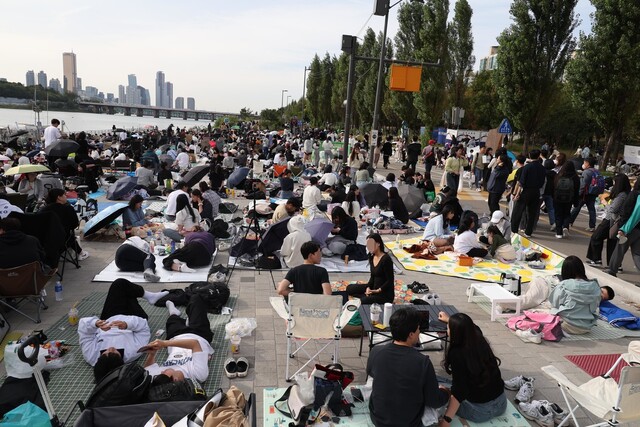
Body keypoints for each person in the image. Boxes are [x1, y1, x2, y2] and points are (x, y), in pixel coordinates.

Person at [366, 307, 450, 427]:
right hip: (408, 422)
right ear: (411, 334)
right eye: (418, 329)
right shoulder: (422, 362)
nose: (419, 332)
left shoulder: (376, 351)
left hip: (378, 418)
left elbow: (371, 372)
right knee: (445, 387)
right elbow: (434, 401)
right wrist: (445, 392)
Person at [79, 278, 168, 382]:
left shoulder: (91, 355)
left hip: (109, 317)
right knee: (127, 293)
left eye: (106, 352)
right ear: (121, 360)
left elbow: (83, 330)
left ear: (99, 359)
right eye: (115, 352)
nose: (111, 348)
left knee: (119, 284)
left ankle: (148, 296)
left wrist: (95, 324)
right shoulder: (133, 352)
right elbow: (143, 328)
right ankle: (149, 296)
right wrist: (127, 324)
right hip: (133, 317)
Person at [436, 312, 507, 424]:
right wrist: (450, 320)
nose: (447, 330)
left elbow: (459, 391)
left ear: (455, 332)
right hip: (502, 404)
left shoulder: (457, 353)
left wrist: (446, 420)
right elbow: (471, 326)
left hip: (479, 412)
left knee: (435, 381)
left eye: (448, 327)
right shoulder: (478, 337)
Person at [144, 293, 215, 383]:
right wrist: (165, 343)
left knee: (172, 320)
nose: (162, 371)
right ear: (175, 379)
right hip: (198, 335)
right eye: (164, 372)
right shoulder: (198, 375)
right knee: (196, 298)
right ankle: (190, 317)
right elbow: (195, 344)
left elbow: (148, 369)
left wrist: (152, 354)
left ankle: (174, 312)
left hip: (175, 337)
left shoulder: (160, 379)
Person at [549, 256, 604, 334]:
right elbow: (595, 306)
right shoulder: (595, 286)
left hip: (567, 325)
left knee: (549, 310)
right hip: (587, 327)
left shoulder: (564, 285)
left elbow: (555, 303)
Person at [587, 174, 630, 266]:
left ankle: (596, 259)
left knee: (596, 237)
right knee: (612, 243)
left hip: (610, 220)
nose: (613, 184)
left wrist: (605, 203)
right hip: (616, 221)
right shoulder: (626, 194)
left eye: (615, 182)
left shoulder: (621, 196)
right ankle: (614, 265)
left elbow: (613, 209)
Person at [40, 188, 89, 260]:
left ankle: (80, 252)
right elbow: (74, 225)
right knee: (69, 234)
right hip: (63, 240)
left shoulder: (43, 209)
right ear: (59, 197)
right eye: (64, 195)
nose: (66, 197)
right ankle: (81, 252)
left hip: (45, 240)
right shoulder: (68, 208)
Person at [346, 233, 395, 304]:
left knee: (363, 301)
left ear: (378, 244)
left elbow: (390, 280)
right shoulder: (372, 256)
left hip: (384, 293)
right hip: (373, 287)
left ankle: (367, 297)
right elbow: (373, 276)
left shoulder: (386, 259)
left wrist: (378, 290)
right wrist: (368, 287)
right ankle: (367, 295)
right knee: (349, 288)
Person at [510, 150, 546, 237]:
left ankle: (514, 230)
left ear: (529, 155)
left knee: (518, 211)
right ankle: (528, 232)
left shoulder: (527, 167)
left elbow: (521, 182)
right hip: (536, 192)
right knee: (532, 213)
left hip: (526, 191)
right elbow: (542, 181)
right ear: (538, 157)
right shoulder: (542, 168)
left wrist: (517, 194)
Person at [569, 157, 599, 231]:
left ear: (588, 163)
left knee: (576, 208)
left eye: (584, 162)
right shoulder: (597, 171)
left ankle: (569, 221)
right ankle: (592, 226)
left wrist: (578, 193)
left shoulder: (586, 172)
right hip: (593, 193)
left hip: (585, 194)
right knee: (591, 209)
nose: (583, 164)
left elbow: (583, 184)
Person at [553, 161, 580, 239]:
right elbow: (576, 190)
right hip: (569, 199)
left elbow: (554, 187)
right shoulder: (575, 177)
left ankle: (559, 233)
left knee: (558, 215)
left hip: (557, 198)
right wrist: (576, 202)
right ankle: (565, 226)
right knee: (567, 214)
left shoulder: (558, 175)